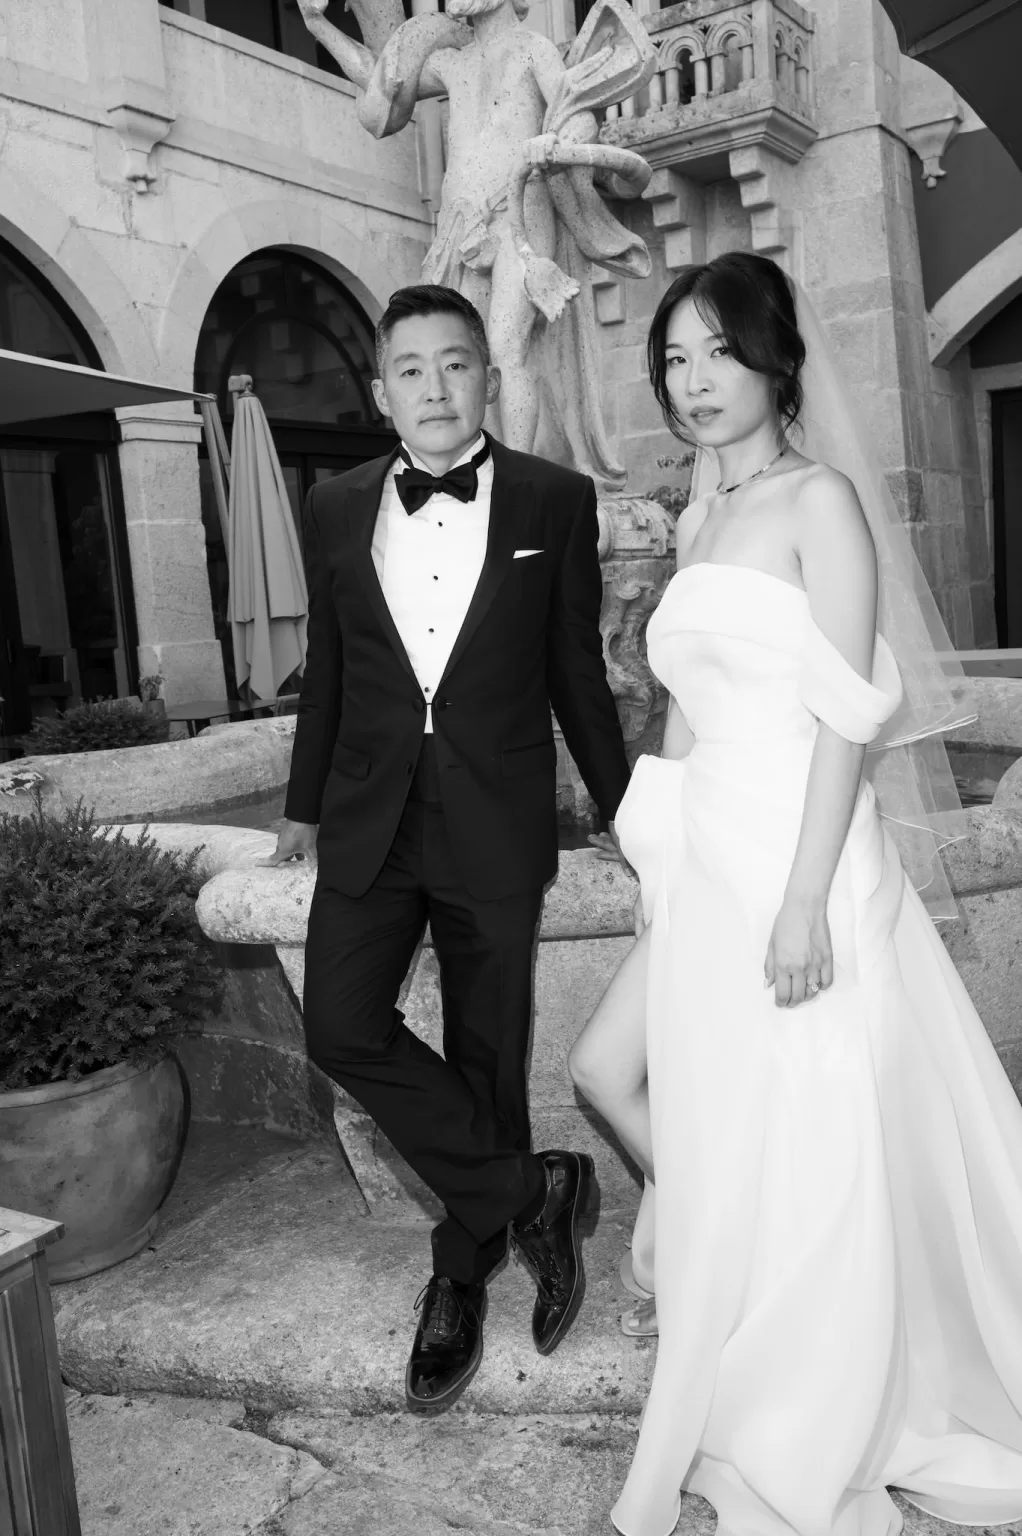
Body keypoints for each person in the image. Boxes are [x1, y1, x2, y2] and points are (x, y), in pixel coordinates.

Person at [568, 251, 1022, 1536]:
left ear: (774, 359)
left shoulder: (819, 500)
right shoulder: (698, 516)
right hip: (711, 846)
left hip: (804, 853)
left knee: (820, 1123)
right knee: (608, 1069)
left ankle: (823, 1365)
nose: (693, 381)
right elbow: (677, 713)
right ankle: (734, 1240)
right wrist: (657, 852)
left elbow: (843, 721)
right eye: (673, 357)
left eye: (717, 352)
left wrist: (803, 899)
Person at [264, 283, 631, 1415]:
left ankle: (458, 1275)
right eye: (410, 369)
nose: (434, 386)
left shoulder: (553, 499)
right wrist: (298, 808)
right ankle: (532, 1191)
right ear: (381, 394)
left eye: (454, 364)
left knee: (487, 1053)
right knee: (339, 1021)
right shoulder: (330, 508)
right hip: (372, 813)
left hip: (494, 821)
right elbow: (329, 669)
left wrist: (627, 813)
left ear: (488, 377)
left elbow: (578, 671)